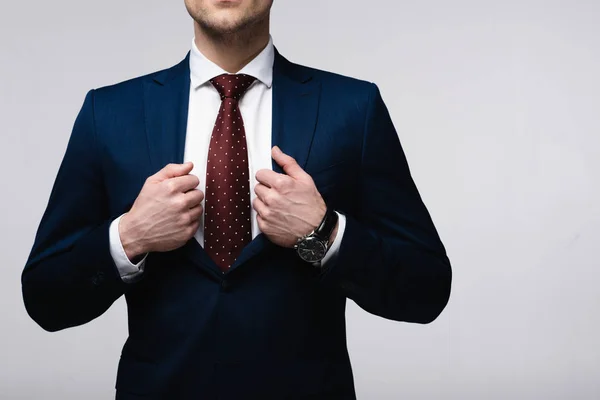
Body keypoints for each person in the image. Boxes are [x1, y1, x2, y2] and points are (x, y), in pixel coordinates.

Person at [21, 0, 452, 398]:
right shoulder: (110, 114)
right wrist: (129, 237)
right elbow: (45, 297)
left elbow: (426, 288)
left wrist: (325, 234)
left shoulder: (353, 109)